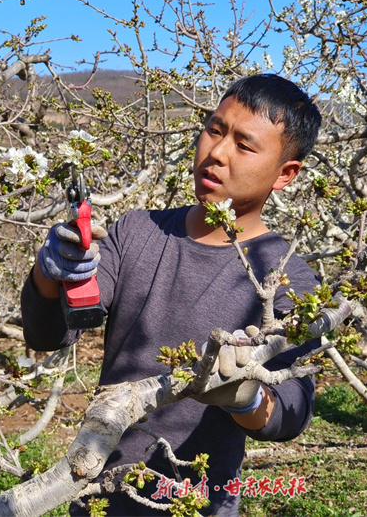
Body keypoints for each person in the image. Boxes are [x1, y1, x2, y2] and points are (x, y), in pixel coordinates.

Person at [21, 74, 323, 516]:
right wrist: (51, 273)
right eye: (214, 129)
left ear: (285, 174)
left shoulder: (288, 278)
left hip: (197, 502)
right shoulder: (138, 232)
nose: (217, 153)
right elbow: (49, 334)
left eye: (244, 144)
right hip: (98, 497)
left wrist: (249, 397)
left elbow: (293, 409)